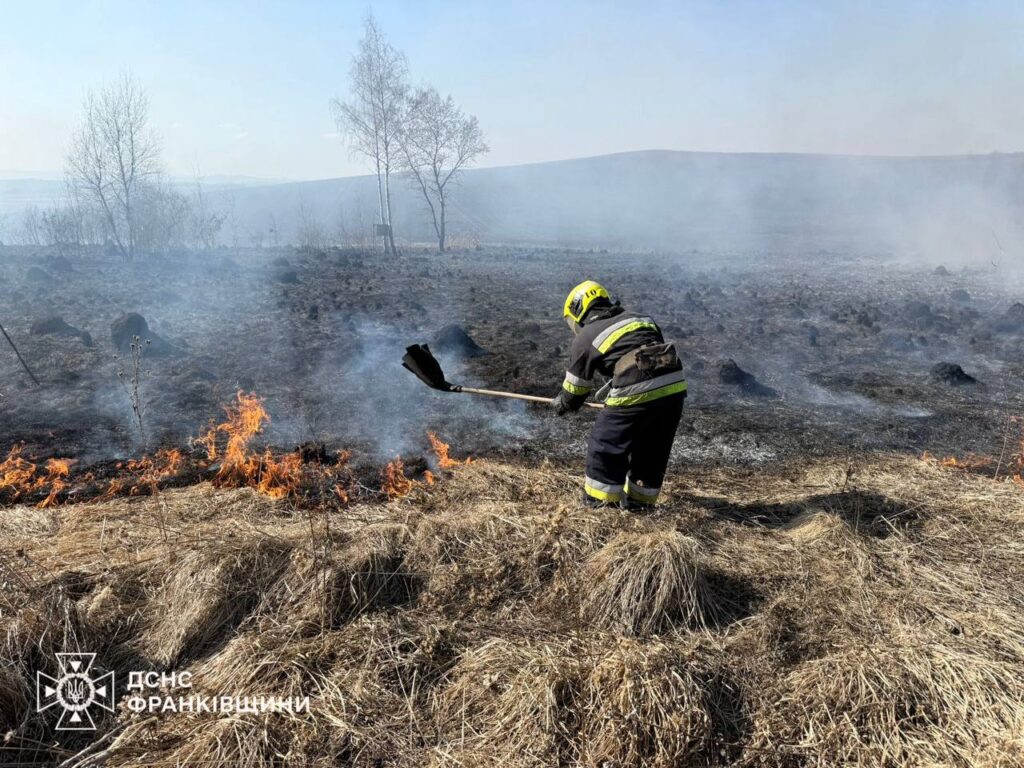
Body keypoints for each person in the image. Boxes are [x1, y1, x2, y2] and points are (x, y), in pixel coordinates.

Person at [552, 280, 686, 507]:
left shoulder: (586, 337)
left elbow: (576, 390)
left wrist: (563, 403)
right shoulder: (640, 318)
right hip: (674, 387)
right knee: (653, 447)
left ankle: (599, 503)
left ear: (577, 310)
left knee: (606, 444)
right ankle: (641, 504)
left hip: (635, 390)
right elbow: (644, 350)